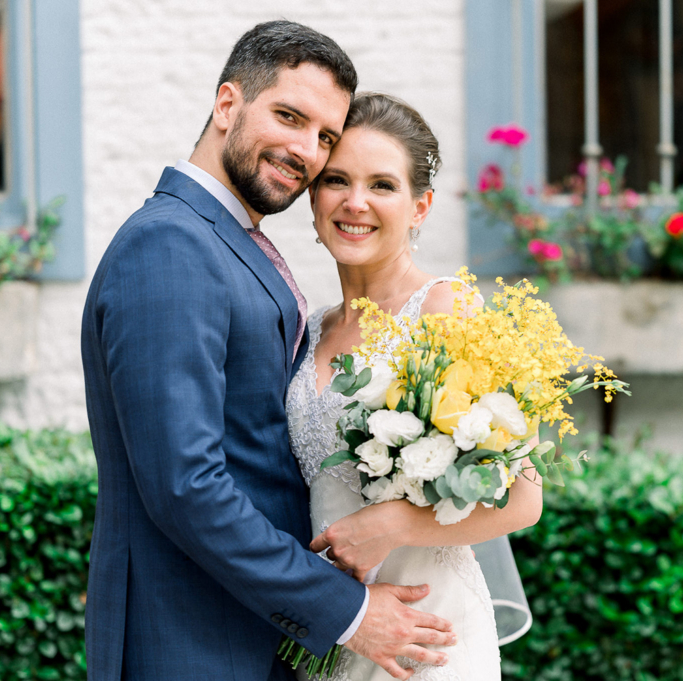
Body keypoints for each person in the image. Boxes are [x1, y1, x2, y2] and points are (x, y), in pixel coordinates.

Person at [80, 22, 455, 681]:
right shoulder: (169, 244)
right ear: (228, 105)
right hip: (191, 642)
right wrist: (346, 609)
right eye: (289, 116)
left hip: (254, 636)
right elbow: (185, 485)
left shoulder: (230, 239)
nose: (306, 150)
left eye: (325, 136)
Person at [287, 92, 544, 680]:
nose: (355, 203)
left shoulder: (448, 310)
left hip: (429, 634)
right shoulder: (307, 328)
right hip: (335, 632)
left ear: (420, 205)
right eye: (336, 181)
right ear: (313, 196)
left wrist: (395, 524)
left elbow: (523, 501)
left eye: (382, 185)